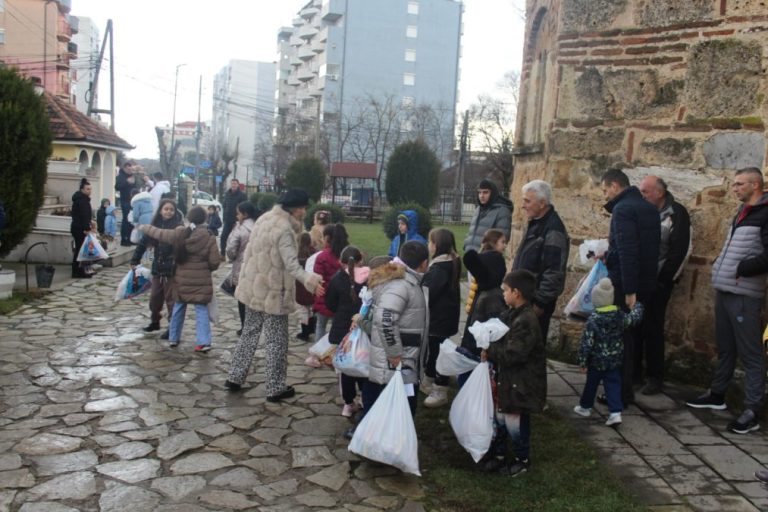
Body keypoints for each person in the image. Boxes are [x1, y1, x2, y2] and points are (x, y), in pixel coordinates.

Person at [686, 167, 768, 435]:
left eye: (739, 184)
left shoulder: (765, 213)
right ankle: (717, 394)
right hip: (726, 290)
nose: (734, 189)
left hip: (744, 294)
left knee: (751, 354)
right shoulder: (743, 212)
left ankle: (752, 410)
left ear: (755, 185)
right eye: (733, 184)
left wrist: (743, 268)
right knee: (725, 347)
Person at [225, 189, 324, 402]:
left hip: (255, 287)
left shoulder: (265, 219)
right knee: (276, 340)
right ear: (296, 209)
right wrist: (311, 280)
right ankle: (275, 387)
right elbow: (291, 265)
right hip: (274, 291)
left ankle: (235, 376)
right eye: (304, 208)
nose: (305, 212)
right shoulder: (285, 230)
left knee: (249, 333)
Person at [600, 168, 660, 407]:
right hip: (645, 281)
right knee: (632, 337)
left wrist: (629, 290)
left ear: (615, 186)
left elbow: (628, 251)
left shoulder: (623, 209)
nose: (605, 196)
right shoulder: (649, 208)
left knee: (620, 339)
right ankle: (628, 385)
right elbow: (646, 249)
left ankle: (620, 394)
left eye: (606, 190)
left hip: (626, 284)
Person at [481, 269, 546, 477]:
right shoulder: (512, 314)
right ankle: (500, 454)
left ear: (516, 293)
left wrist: (489, 351)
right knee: (500, 417)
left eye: (505, 290)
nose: (503, 294)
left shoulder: (526, 321)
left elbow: (514, 354)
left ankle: (521, 459)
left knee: (515, 422)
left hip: (521, 384)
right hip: (508, 381)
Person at [138, 206, 222, 352]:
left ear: (188, 218)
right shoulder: (209, 237)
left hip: (180, 279)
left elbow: (160, 233)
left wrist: (145, 227)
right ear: (205, 219)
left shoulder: (180, 233)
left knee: (178, 307)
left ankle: (173, 338)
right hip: (201, 280)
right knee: (201, 310)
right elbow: (215, 262)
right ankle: (203, 342)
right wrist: (205, 267)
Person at [637, 175, 691, 395]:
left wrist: (663, 280)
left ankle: (654, 376)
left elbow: (679, 251)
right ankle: (633, 372)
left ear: (659, 193)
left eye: (645, 191)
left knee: (653, 328)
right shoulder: (642, 211)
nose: (642, 195)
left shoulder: (677, 214)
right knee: (635, 326)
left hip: (659, 281)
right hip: (639, 279)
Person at [363, 241, 429, 417]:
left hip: (405, 359)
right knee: (399, 410)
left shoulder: (410, 282)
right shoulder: (402, 285)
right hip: (398, 360)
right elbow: (385, 319)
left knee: (399, 408)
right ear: (424, 263)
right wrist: (394, 352)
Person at [573, 277, 644, 428]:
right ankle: (615, 413)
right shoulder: (619, 316)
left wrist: (582, 361)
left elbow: (587, 343)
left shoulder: (593, 320)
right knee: (613, 386)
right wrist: (637, 306)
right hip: (614, 361)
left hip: (596, 362)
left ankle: (585, 407)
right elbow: (633, 319)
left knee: (591, 385)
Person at [512, 179, 570, 341]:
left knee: (530, 349)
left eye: (527, 201)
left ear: (543, 203)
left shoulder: (553, 229)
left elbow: (554, 271)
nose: (523, 205)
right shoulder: (537, 223)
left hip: (535, 302)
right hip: (523, 298)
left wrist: (540, 303)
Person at [325, 245, 370, 417]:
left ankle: (348, 403)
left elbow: (330, 304)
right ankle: (366, 399)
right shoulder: (369, 278)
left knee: (345, 369)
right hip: (363, 329)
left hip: (341, 329)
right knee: (363, 365)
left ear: (340, 262)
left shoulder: (337, 279)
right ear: (361, 260)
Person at [460, 229, 508, 386]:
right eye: (502, 242)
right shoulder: (493, 296)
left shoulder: (485, 293)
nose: (505, 245)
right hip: (481, 347)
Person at [421, 228, 462, 408]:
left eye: (430, 242)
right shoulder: (451, 261)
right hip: (447, 316)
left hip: (438, 318)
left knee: (437, 353)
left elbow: (430, 292)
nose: (428, 246)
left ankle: (440, 388)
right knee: (436, 350)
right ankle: (430, 379)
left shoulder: (439, 268)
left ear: (436, 245)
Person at [130, 198, 184, 335]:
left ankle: (172, 328)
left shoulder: (178, 227)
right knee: (155, 297)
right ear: (160, 211)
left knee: (171, 300)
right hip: (157, 268)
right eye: (166, 209)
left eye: (171, 209)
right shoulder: (154, 226)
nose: (168, 212)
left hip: (171, 270)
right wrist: (135, 260)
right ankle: (155, 322)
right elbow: (143, 243)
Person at [225, 201, 260, 335]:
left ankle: (245, 325)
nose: (236, 216)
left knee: (241, 297)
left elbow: (231, 248)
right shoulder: (259, 226)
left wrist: (232, 258)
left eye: (238, 213)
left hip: (241, 266)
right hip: (256, 266)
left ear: (244, 214)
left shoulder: (240, 228)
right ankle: (253, 324)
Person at [313, 224, 349, 341]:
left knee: (320, 325)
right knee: (338, 327)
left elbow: (318, 278)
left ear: (327, 238)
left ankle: (318, 353)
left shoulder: (322, 257)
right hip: (341, 299)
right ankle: (336, 352)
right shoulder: (347, 255)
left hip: (323, 297)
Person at [463, 179, 513, 253]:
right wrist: (466, 245)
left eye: (485, 192)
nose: (481, 196)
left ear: (492, 193)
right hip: (471, 256)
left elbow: (502, 238)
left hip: (486, 257)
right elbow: (472, 232)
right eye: (479, 192)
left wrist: (487, 255)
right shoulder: (478, 209)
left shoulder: (502, 210)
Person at [70, 178, 95, 278]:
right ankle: (78, 271)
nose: (89, 191)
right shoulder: (82, 200)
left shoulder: (82, 199)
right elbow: (83, 216)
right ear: (82, 190)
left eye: (90, 189)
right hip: (80, 229)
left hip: (78, 227)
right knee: (80, 251)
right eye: (87, 189)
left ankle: (79, 270)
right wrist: (87, 229)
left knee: (80, 250)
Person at [295, 232, 317, 342]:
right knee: (311, 308)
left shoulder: (296, 253)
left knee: (303, 310)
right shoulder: (314, 252)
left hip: (300, 285)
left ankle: (305, 332)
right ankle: (312, 327)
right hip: (311, 284)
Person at [220, 178, 248, 253]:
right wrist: (224, 218)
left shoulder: (242, 195)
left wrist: (242, 219)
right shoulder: (227, 194)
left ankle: (235, 255)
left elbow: (245, 208)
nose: (233, 185)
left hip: (237, 221)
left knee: (236, 240)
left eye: (235, 184)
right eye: (232, 183)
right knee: (223, 237)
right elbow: (224, 206)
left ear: (238, 185)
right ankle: (222, 254)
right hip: (227, 221)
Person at [115, 160, 137, 246]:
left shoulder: (132, 176)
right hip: (125, 200)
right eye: (128, 169)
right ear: (124, 168)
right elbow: (117, 187)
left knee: (132, 220)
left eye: (130, 168)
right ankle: (124, 239)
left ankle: (131, 238)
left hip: (133, 201)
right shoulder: (121, 176)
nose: (129, 170)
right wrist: (127, 182)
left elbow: (135, 187)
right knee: (126, 220)